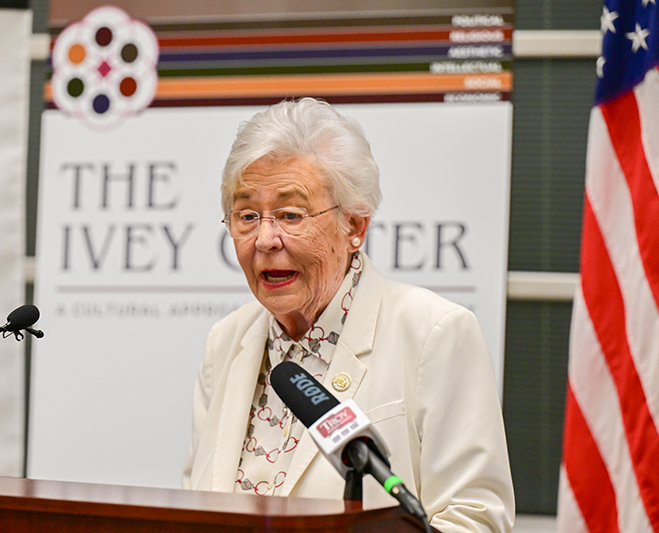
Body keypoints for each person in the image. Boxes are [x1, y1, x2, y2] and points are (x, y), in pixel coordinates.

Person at [182, 98, 514, 532]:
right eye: (247, 216)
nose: (264, 238)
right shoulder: (226, 341)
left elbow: (477, 522)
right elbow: (192, 511)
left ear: (354, 226)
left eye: (290, 214)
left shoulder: (433, 333)